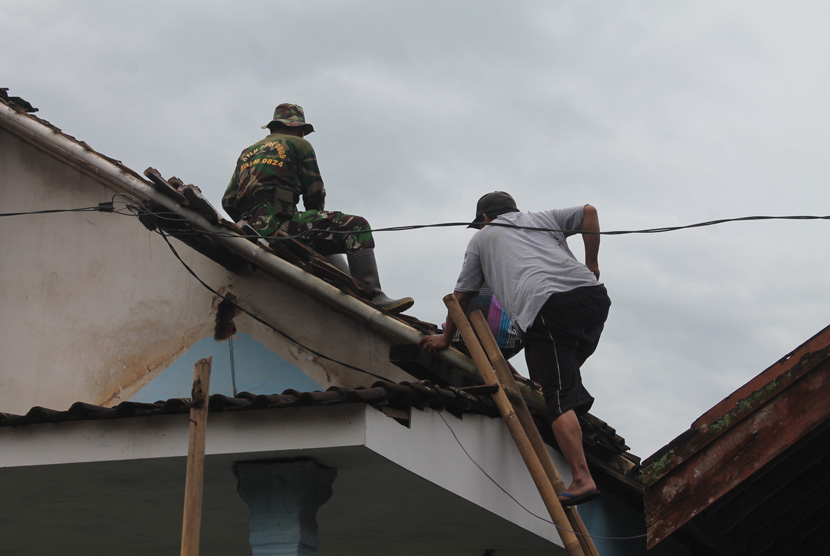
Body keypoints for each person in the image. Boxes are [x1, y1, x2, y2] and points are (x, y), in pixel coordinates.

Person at [419, 191, 610, 507]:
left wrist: (444, 337)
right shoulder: (540, 219)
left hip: (548, 308)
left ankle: (581, 478)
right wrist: (592, 263)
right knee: (557, 364)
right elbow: (589, 211)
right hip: (593, 299)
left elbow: (462, 297)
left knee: (556, 398)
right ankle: (572, 394)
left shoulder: (481, 240)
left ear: (483, 219)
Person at [222, 103, 413, 313]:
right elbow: (314, 193)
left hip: (249, 228)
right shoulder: (299, 145)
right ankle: (375, 296)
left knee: (321, 236)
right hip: (280, 225)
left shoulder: (247, 153)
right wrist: (312, 215)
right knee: (357, 226)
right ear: (299, 128)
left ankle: (352, 286)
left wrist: (251, 222)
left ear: (272, 127)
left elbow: (228, 201)